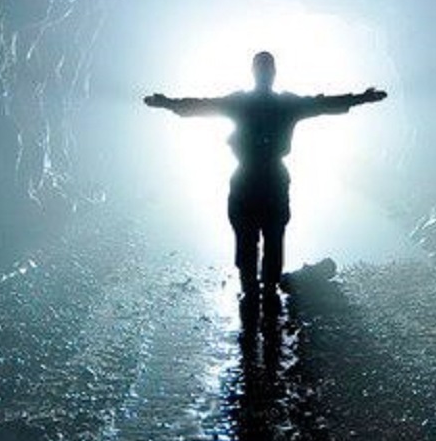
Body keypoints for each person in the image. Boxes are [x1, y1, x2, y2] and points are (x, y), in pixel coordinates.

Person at [145, 51, 387, 300]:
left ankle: (259, 288)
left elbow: (203, 105)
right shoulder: (280, 103)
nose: (265, 73)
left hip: (255, 176)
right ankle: (258, 287)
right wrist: (169, 103)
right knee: (261, 235)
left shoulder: (252, 103)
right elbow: (203, 105)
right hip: (263, 176)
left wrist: (362, 98)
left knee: (263, 235)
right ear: (270, 73)